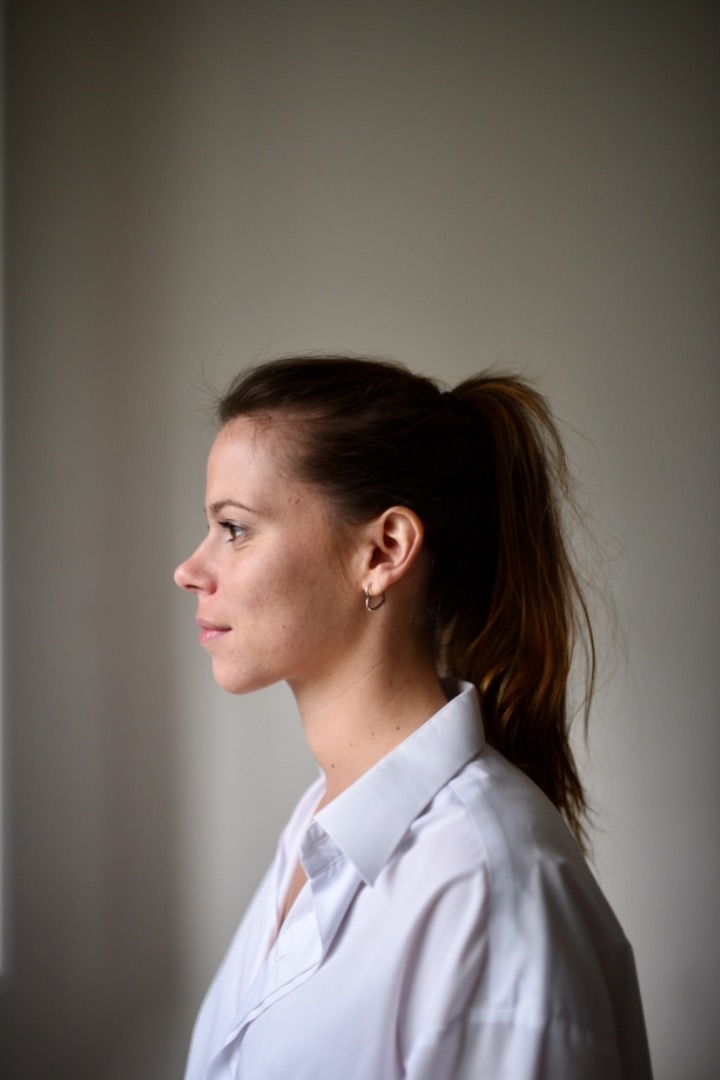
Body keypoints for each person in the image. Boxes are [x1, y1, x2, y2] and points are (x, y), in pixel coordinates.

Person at [174, 354, 653, 1080]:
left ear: (384, 551)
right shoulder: (317, 829)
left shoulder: (486, 890)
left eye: (234, 529)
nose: (189, 570)